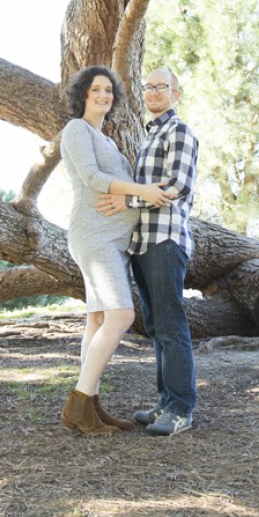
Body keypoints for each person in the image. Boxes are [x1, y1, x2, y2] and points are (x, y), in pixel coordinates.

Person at [59, 65, 175, 436]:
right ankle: (78, 402)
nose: (103, 96)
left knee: (97, 319)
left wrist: (140, 191)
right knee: (122, 315)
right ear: (83, 95)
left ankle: (89, 404)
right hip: (95, 237)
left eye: (109, 91)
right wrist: (143, 192)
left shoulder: (104, 137)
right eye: (96, 90)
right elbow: (93, 178)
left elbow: (118, 184)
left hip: (112, 240)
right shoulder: (77, 130)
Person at [96, 67, 199, 437]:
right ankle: (164, 403)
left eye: (162, 87)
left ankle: (182, 409)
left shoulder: (180, 132)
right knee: (157, 326)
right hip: (143, 243)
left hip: (165, 240)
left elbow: (176, 186)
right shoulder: (148, 136)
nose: (154, 92)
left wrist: (127, 201)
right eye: (149, 87)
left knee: (171, 324)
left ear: (177, 94)